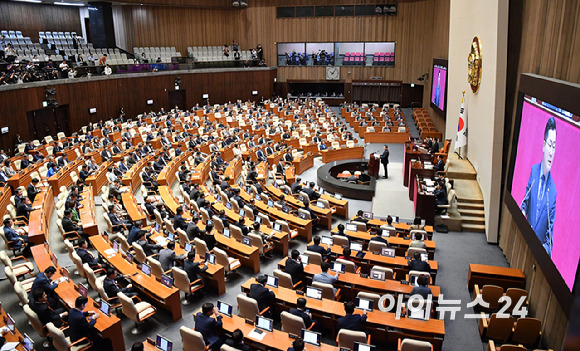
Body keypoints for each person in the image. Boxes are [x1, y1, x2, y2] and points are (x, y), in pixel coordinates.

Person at [521, 116, 557, 256]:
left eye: (554, 147)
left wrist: (544, 249)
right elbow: (525, 202)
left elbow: (549, 240)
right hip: (523, 240)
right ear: (543, 145)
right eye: (550, 144)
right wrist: (522, 215)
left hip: (536, 254)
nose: (551, 151)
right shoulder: (534, 171)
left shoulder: (553, 191)